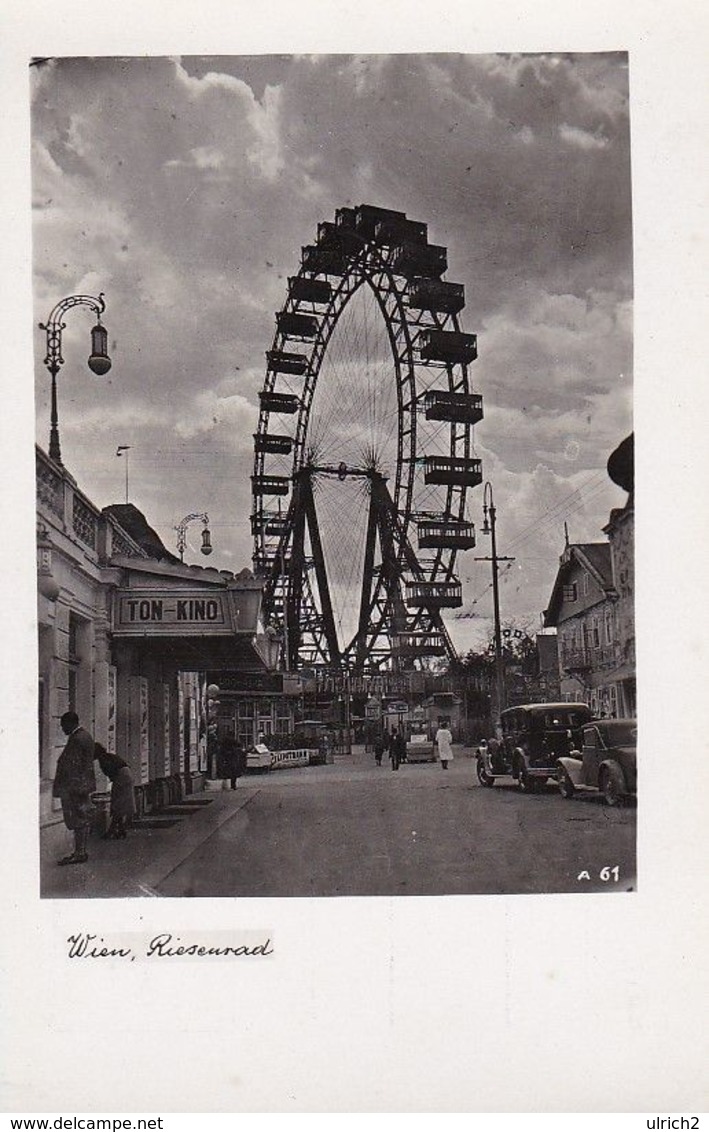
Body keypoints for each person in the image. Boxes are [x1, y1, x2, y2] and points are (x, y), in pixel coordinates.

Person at [52, 711, 97, 866]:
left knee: (77, 819)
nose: (62, 729)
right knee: (82, 818)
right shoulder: (85, 736)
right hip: (82, 785)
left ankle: (79, 852)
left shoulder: (77, 739)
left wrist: (67, 788)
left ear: (70, 723)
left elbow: (71, 766)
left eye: (63, 725)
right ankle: (81, 851)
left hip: (75, 787)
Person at [94, 743, 136, 838]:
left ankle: (112, 830)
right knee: (120, 803)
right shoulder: (108, 756)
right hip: (126, 775)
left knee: (117, 803)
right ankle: (121, 830)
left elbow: (110, 772)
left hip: (121, 777)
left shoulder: (103, 759)